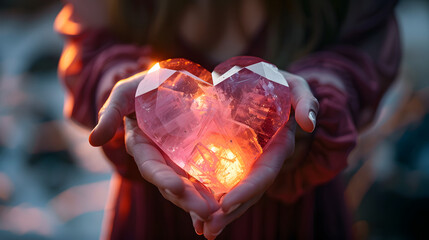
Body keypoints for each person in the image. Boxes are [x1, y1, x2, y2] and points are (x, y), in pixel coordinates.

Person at [55, 0, 400, 239]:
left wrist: (312, 111)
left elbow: (362, 56)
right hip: (156, 214)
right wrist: (127, 90)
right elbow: (91, 46)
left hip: (299, 212)